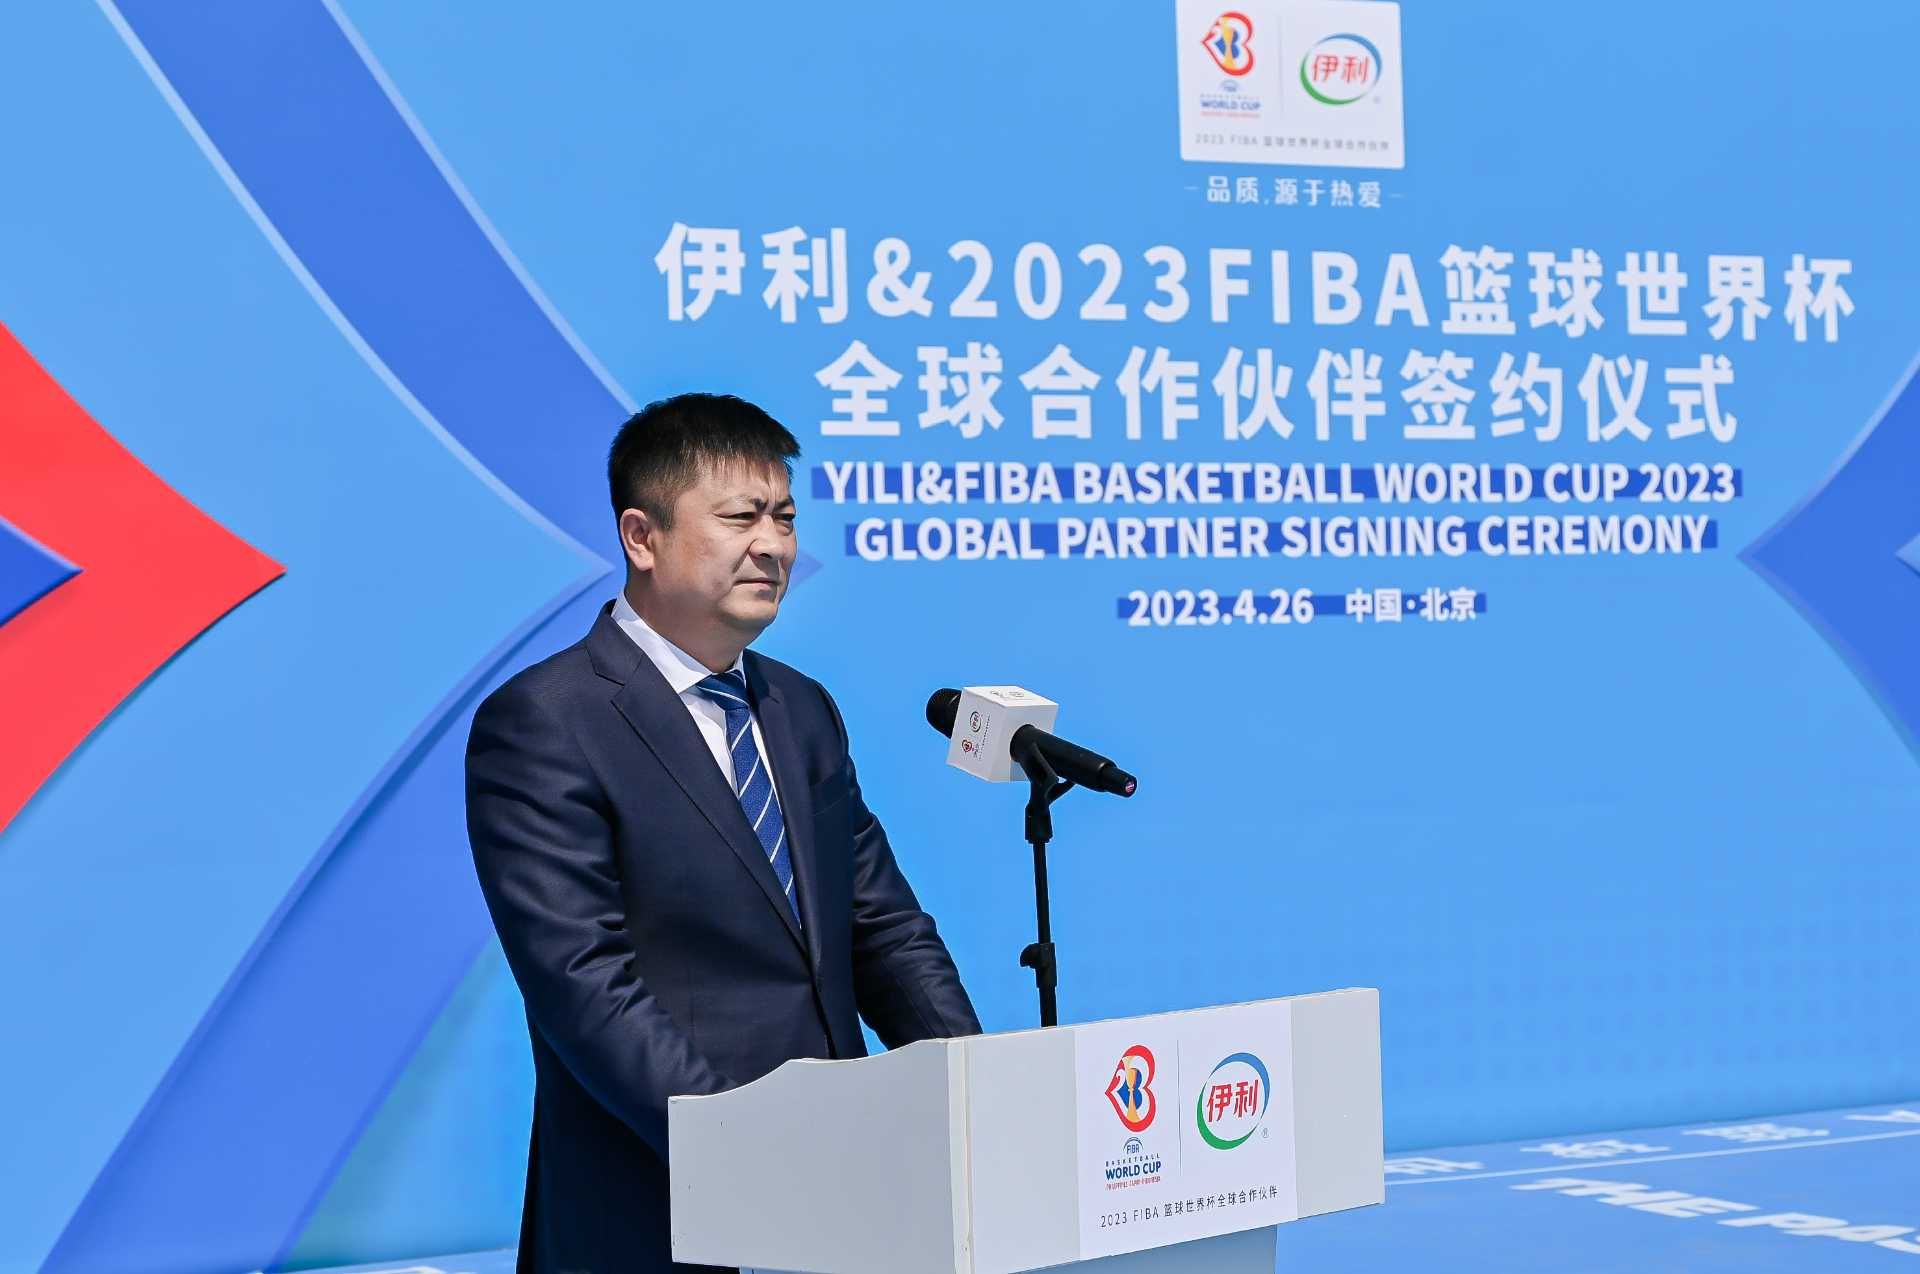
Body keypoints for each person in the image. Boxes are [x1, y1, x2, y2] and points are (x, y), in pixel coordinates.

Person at [465, 393, 981, 1273]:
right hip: (657, 1201)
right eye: (741, 517)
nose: (773, 545)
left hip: (845, 1187)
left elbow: (882, 926)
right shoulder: (548, 719)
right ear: (642, 537)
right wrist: (744, 1155)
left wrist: (974, 1096)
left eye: (786, 517)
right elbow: (585, 985)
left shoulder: (801, 708)